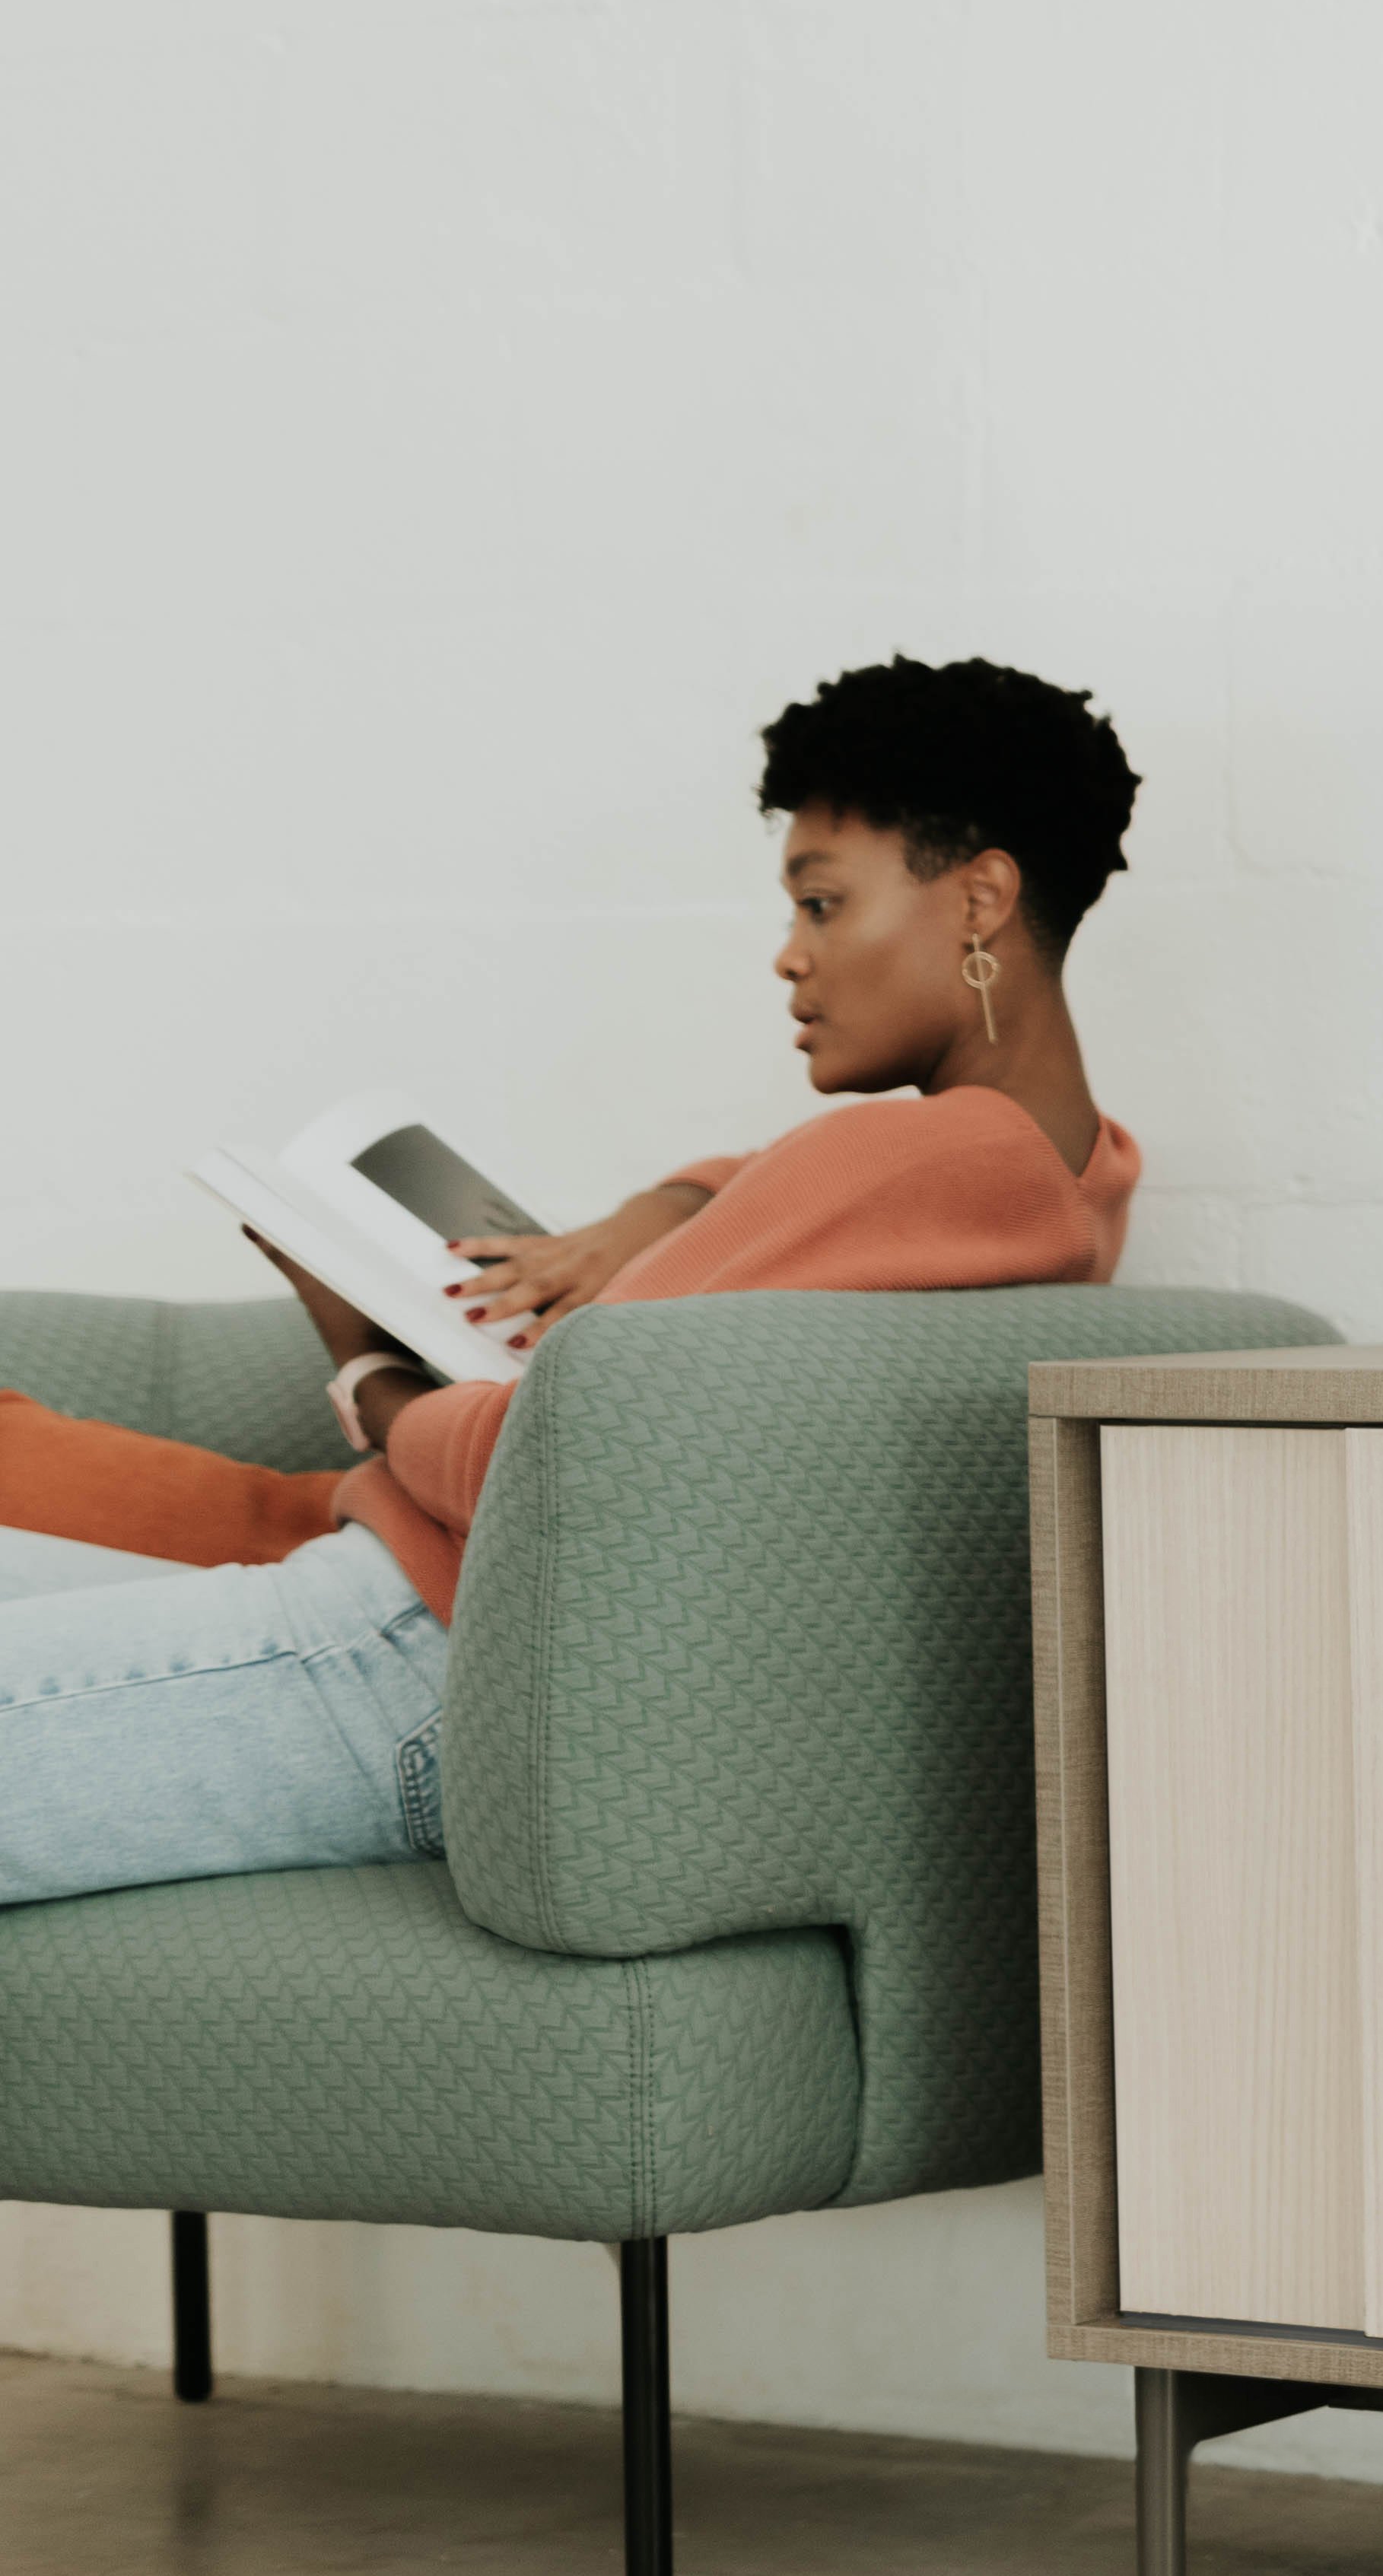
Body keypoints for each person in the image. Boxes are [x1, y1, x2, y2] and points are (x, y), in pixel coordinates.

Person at [0, 656, 1146, 1907]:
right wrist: (666, 1206)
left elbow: (544, 1467)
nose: (789, 957)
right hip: (448, 1641)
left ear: (980, 898)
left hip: (421, 1650)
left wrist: (366, 1358)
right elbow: (762, 1220)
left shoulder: (919, 1151)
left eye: (820, 904)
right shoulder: (1074, 1172)